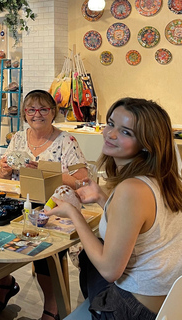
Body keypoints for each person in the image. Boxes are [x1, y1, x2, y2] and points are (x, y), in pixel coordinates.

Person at [48, 98, 182, 320]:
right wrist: (102, 198)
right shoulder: (166, 179)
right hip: (170, 303)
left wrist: (74, 213)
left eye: (126, 132)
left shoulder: (131, 189)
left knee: (89, 258)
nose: (110, 134)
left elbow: (110, 271)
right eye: (110, 123)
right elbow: (143, 228)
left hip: (133, 310)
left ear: (147, 143)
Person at [0, 90, 88, 318]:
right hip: (20, 203)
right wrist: (4, 170)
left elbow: (83, 180)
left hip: (54, 209)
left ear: (53, 112)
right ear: (25, 114)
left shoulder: (67, 141)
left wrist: (46, 169)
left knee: (46, 254)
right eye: (31, 110)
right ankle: (4, 283)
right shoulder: (17, 138)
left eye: (43, 109)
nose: (37, 114)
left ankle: (52, 307)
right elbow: (3, 177)